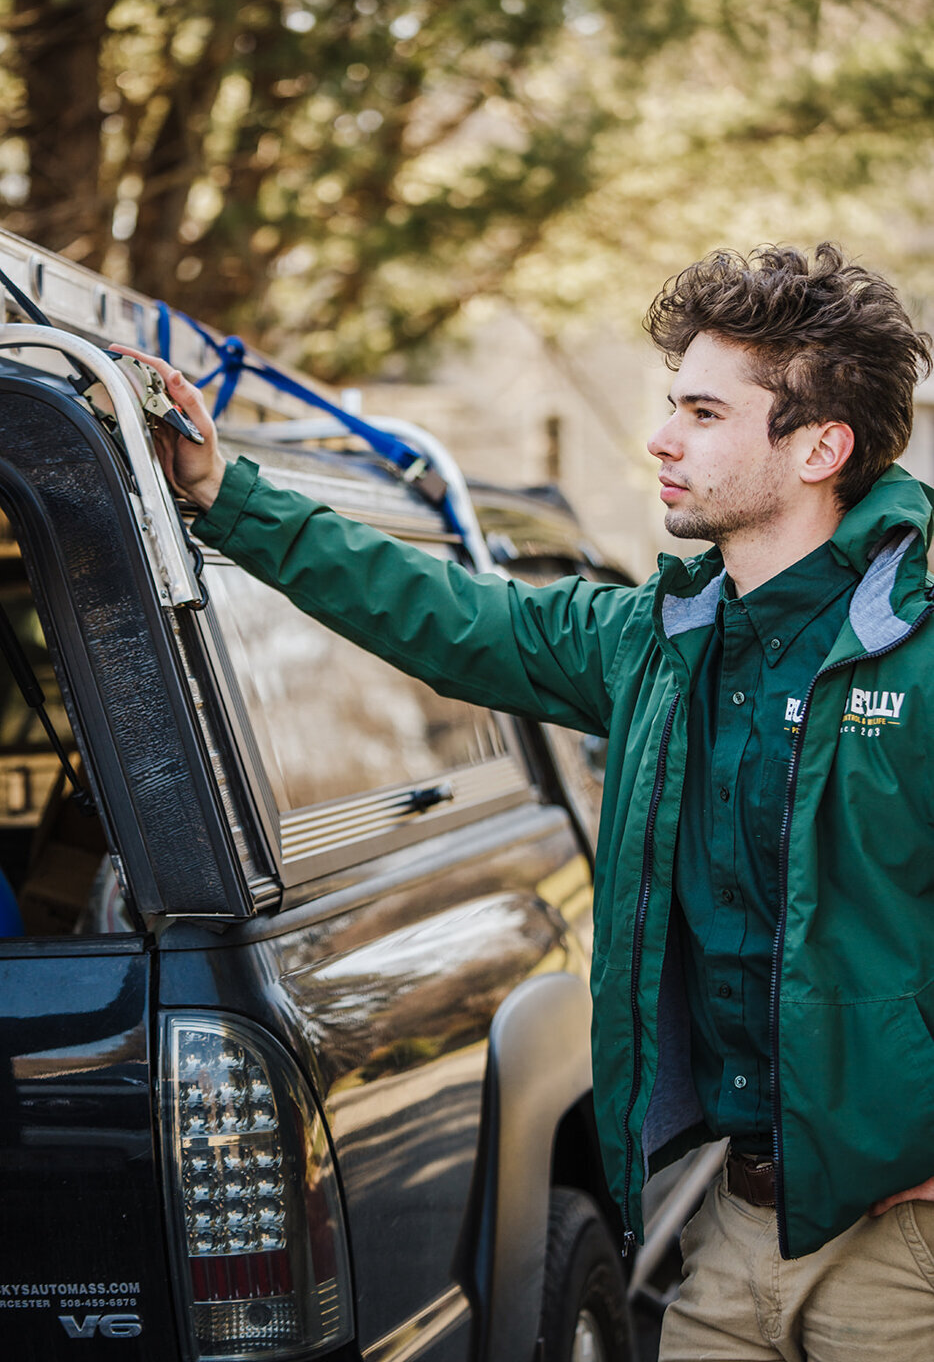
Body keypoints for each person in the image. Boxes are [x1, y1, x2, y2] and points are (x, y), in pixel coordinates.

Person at [119, 243, 934, 1360]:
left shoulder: (919, 650)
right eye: (671, 405)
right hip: (738, 1223)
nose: (661, 437)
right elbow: (445, 614)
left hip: (905, 1244)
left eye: (703, 412)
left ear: (818, 447)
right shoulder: (659, 641)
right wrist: (222, 494)